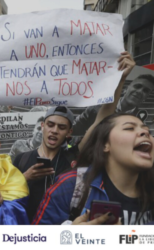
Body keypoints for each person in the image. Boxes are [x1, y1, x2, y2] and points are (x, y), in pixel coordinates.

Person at [12, 51, 136, 223]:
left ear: (69, 132)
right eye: (50, 125)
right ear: (42, 126)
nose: (55, 130)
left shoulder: (73, 154)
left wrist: (120, 79)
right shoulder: (22, 158)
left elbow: (102, 118)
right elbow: (5, 194)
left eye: (61, 127)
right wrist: (24, 177)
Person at [33, 113, 154, 225]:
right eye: (129, 128)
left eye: (147, 130)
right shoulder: (71, 186)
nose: (145, 132)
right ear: (105, 145)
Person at [72, 74, 154, 135]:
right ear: (125, 89)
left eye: (146, 91)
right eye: (137, 86)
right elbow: (74, 130)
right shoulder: (96, 108)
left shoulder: (140, 122)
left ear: (145, 98)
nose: (140, 91)